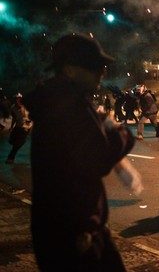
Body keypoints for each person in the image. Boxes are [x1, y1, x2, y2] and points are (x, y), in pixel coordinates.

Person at [23, 33, 135, 271]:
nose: (101, 72)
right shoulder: (67, 106)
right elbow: (98, 158)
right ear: (70, 70)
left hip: (74, 227)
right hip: (72, 233)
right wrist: (120, 133)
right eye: (95, 66)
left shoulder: (59, 101)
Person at [5, 93, 32, 164]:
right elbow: (14, 118)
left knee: (19, 143)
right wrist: (11, 127)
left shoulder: (27, 106)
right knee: (11, 141)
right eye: (17, 99)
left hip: (25, 127)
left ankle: (10, 158)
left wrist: (29, 122)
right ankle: (12, 157)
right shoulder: (13, 108)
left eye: (19, 98)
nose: (18, 100)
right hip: (18, 126)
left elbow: (32, 116)